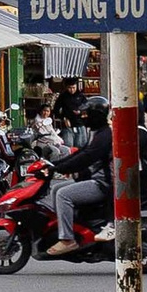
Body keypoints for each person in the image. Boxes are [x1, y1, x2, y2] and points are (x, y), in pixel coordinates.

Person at [43, 101, 112, 257]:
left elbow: (86, 158)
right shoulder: (96, 133)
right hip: (95, 178)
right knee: (56, 189)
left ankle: (68, 239)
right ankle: (69, 228)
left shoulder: (105, 135)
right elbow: (81, 153)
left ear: (96, 116)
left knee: (63, 195)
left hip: (103, 183)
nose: (83, 117)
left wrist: (60, 168)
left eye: (87, 114)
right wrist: (55, 165)